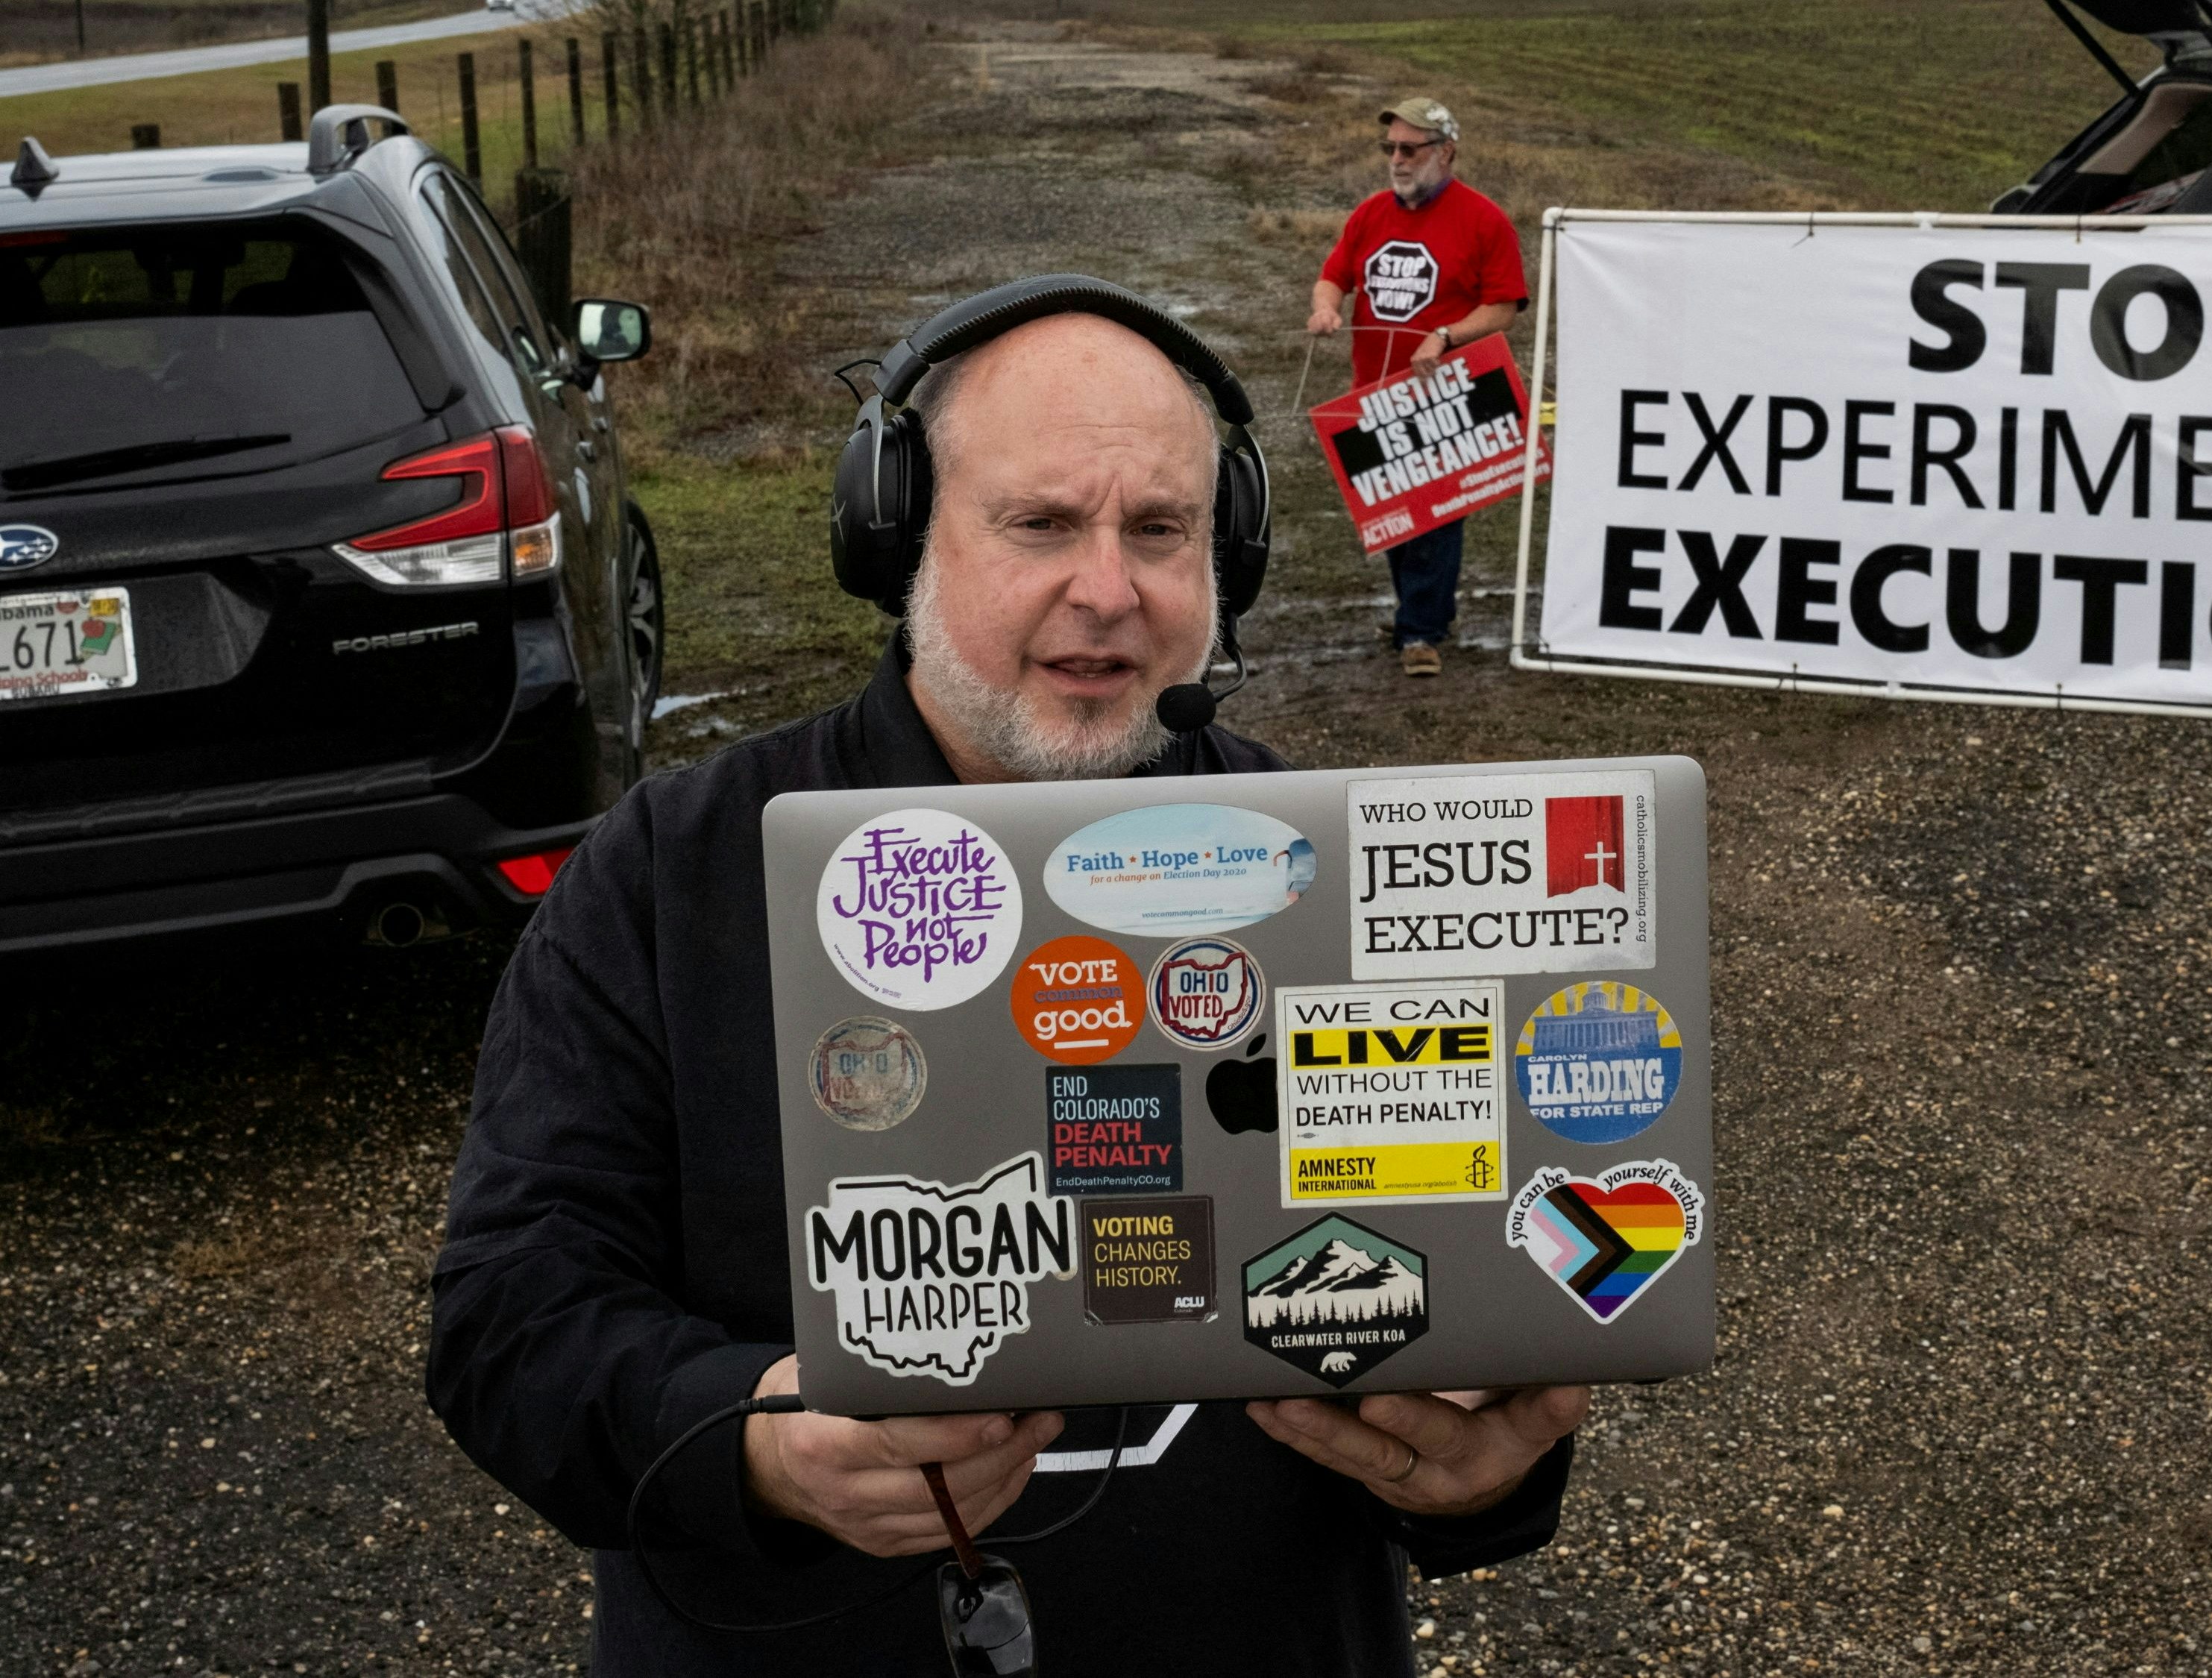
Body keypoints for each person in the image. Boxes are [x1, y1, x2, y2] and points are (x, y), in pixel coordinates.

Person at [428, 282, 1588, 1673]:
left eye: (1159, 530)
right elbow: (509, 1321)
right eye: (1040, 523)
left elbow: (1465, 1296)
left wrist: (1485, 1474)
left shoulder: (1332, 864)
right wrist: (759, 1442)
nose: (1108, 590)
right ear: (895, 536)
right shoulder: (671, 875)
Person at [1307, 94, 1527, 679]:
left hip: (1448, 398)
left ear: (1445, 152)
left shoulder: (1484, 220)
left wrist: (1447, 335)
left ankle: (1420, 632)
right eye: (1391, 148)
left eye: (1410, 148)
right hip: (1374, 397)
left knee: (1435, 516)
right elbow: (1333, 277)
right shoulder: (1370, 214)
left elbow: (1503, 307)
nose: (1397, 159)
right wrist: (1325, 310)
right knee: (1393, 515)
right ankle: (1423, 613)